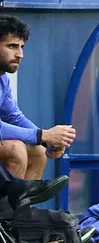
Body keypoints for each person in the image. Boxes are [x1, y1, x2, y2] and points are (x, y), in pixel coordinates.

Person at [0, 16, 76, 179]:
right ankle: (11, 197)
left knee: (38, 152)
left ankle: (26, 196)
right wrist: (42, 135)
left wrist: (46, 141)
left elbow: (14, 117)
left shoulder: (2, 80)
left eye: (21, 47)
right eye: (12, 46)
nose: (20, 54)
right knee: (16, 150)